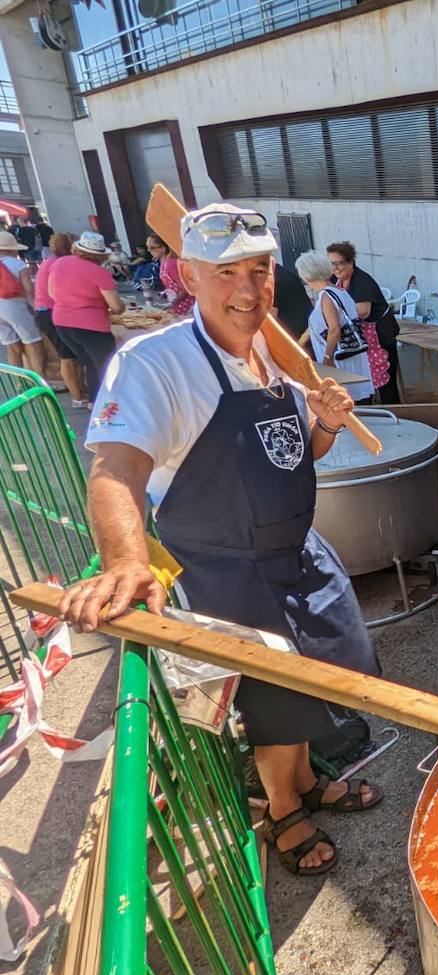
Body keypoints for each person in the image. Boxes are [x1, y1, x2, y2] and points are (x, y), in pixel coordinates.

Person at [58, 203, 382, 875]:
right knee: (273, 702)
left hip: (297, 558)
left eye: (260, 270)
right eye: (225, 271)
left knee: (324, 681)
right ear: (187, 274)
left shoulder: (275, 350)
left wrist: (321, 423)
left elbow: (295, 457)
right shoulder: (156, 363)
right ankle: (282, 809)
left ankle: (307, 781)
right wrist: (123, 560)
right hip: (228, 573)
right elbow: (115, 466)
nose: (248, 288)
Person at [50, 232, 124, 400]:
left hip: (62, 322)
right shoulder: (99, 272)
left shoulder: (60, 263)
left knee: (89, 364)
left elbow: (51, 292)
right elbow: (117, 306)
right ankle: (112, 403)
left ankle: (94, 402)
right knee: (107, 366)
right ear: (101, 255)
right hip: (91, 326)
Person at [329, 241, 401, 403]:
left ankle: (396, 414)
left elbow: (362, 311)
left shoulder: (362, 281)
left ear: (350, 261)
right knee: (365, 378)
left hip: (381, 336)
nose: (336, 268)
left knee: (386, 382)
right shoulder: (337, 280)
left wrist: (335, 315)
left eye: (339, 263)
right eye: (332, 264)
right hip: (363, 339)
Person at [297, 250, 373, 402]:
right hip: (351, 354)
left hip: (339, 358)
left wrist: (327, 357)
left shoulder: (326, 296)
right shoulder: (340, 291)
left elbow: (334, 330)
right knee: (358, 399)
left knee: (344, 399)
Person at [34, 233, 86, 403]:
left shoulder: (51, 261)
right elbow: (61, 292)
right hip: (52, 312)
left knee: (72, 355)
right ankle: (77, 397)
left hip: (45, 312)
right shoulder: (59, 264)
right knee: (68, 357)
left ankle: (80, 392)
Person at [0, 230, 44, 376]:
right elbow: (29, 290)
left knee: (11, 345)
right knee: (33, 342)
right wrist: (36, 307)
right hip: (14, 307)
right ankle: (40, 380)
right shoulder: (18, 265)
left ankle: (19, 382)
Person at [149, 234, 195, 316]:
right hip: (177, 305)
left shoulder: (171, 263)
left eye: (152, 247)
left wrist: (171, 303)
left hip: (186, 306)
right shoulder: (162, 262)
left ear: (163, 248)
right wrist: (164, 293)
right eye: (148, 247)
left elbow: (185, 288)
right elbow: (172, 285)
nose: (149, 250)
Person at [272, 259, 314, 341]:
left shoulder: (272, 280)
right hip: (307, 328)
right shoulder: (281, 272)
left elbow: (271, 317)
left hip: (296, 336)